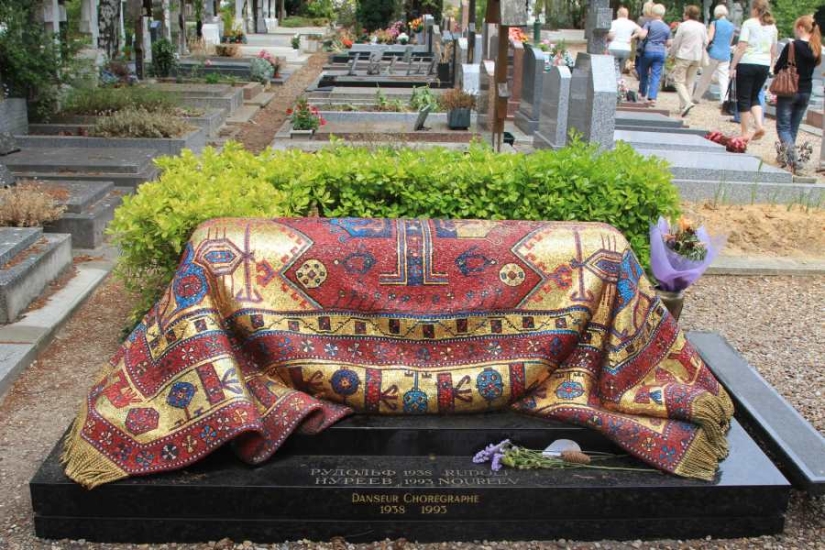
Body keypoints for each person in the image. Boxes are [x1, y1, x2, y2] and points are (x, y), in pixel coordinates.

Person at [773, 15, 822, 172]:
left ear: (801, 27)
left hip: (789, 90)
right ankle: (786, 158)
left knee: (783, 127)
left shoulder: (792, 46)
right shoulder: (816, 48)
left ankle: (794, 160)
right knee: (792, 128)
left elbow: (777, 68)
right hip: (806, 92)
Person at [729, 0, 777, 141]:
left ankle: (744, 132)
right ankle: (759, 125)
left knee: (743, 98)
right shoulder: (772, 27)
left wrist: (733, 66)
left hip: (748, 62)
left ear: (755, 9)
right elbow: (773, 50)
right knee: (755, 95)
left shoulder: (749, 23)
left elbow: (742, 46)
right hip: (763, 64)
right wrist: (770, 65)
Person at [692, 5, 735, 105]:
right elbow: (730, 41)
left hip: (713, 53)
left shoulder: (714, 23)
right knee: (723, 79)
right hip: (725, 54)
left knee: (705, 77)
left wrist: (703, 47)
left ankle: (696, 97)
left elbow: (710, 38)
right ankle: (724, 100)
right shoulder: (732, 26)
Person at [669, 5, 708, 116]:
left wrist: (672, 53)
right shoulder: (702, 26)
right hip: (696, 57)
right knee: (689, 82)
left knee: (678, 81)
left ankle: (687, 102)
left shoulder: (683, 26)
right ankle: (683, 107)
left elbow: (677, 41)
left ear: (687, 15)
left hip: (684, 55)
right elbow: (706, 41)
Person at [637, 3, 672, 106]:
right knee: (656, 75)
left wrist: (640, 33)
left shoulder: (649, 24)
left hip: (648, 51)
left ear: (653, 13)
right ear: (663, 14)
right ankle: (652, 98)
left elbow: (642, 36)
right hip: (660, 52)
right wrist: (662, 42)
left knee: (644, 73)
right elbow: (669, 42)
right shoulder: (666, 27)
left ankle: (642, 94)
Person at [608, 7, 642, 76]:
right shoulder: (631, 23)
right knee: (620, 67)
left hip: (614, 47)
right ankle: (618, 81)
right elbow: (640, 31)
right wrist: (632, 37)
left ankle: (614, 81)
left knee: (613, 67)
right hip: (626, 48)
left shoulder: (614, 23)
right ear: (627, 14)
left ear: (618, 14)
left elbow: (611, 36)